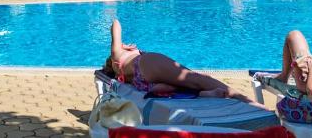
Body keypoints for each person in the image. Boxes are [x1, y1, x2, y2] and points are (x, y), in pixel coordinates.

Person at [103, 19, 266, 105]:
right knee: (196, 78)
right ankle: (248, 102)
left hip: (141, 81)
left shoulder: (121, 72)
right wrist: (121, 44)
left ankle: (205, 95)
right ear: (110, 61)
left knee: (186, 85)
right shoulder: (117, 53)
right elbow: (115, 23)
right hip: (146, 63)